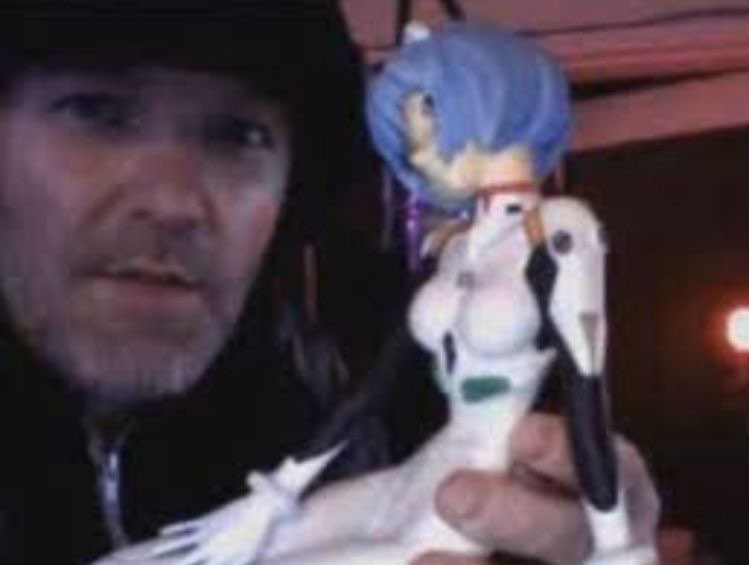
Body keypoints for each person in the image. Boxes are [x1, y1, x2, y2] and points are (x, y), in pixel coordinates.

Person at [0, 1, 658, 564]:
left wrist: (593, 537)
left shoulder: (334, 420)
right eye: (97, 112)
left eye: (238, 134)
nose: (174, 202)